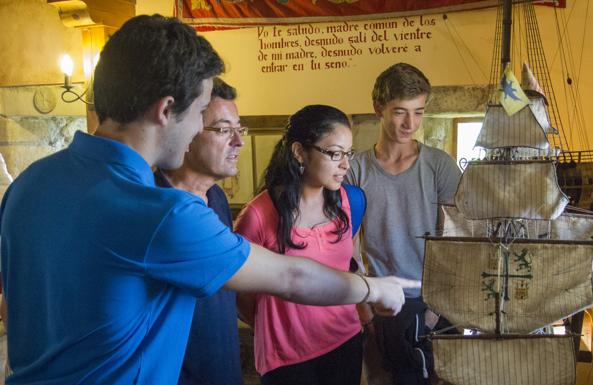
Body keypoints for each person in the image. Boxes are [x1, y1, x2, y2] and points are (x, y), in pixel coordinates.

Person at [0, 15, 416, 385]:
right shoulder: (161, 213)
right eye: (202, 112)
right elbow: (292, 278)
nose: (203, 128)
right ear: (166, 110)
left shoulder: (30, 184)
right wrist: (372, 288)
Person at [346, 63, 462, 385]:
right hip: (381, 299)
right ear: (378, 109)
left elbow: (454, 243)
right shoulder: (356, 169)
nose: (410, 123)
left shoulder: (440, 166)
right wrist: (365, 307)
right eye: (400, 112)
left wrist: (437, 309)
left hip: (436, 299)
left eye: (419, 112)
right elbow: (348, 244)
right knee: (385, 379)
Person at [236, 105, 364, 385]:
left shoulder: (349, 201)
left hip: (344, 340)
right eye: (334, 153)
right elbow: (240, 293)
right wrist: (274, 325)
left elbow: (349, 265)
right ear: (299, 152)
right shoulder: (259, 214)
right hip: (287, 356)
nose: (345, 164)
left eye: (348, 153)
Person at [154, 78, 246, 385]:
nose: (239, 141)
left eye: (239, 128)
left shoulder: (217, 198)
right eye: (222, 130)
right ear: (187, 130)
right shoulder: (153, 202)